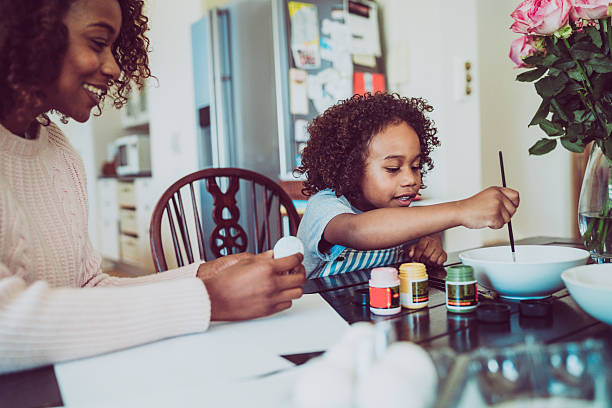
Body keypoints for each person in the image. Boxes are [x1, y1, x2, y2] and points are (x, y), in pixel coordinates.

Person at [0, 0, 305, 375]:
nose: (113, 67)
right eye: (97, 42)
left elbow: (87, 288)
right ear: (32, 36)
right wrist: (209, 298)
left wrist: (204, 274)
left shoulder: (58, 151)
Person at [295, 93, 520, 278]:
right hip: (323, 316)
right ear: (350, 169)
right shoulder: (325, 207)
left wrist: (429, 242)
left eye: (416, 166)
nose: (411, 179)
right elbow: (358, 230)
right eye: (393, 168)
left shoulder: (398, 214)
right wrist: (462, 209)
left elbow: (422, 227)